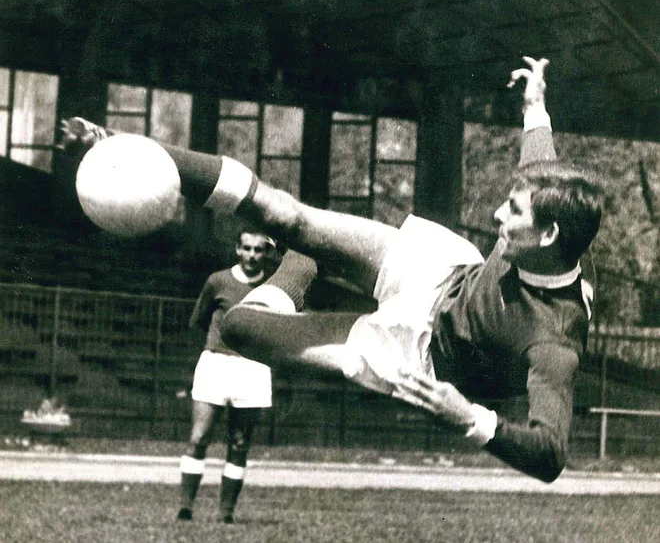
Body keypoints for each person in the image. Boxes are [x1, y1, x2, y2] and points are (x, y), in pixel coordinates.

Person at [59, 56, 604, 483]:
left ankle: (301, 266)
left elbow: (551, 454)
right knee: (284, 214)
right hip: (443, 272)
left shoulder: (553, 343)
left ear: (550, 236)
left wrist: (471, 419)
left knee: (240, 328)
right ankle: (137, 148)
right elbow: (539, 156)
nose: (496, 215)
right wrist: (536, 103)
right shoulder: (547, 220)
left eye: (513, 213)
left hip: (418, 354)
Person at [175, 226, 282, 523]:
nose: (251, 255)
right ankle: (186, 508)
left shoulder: (275, 288)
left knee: (238, 443)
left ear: (268, 253)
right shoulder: (218, 281)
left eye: (258, 249)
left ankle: (226, 514)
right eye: (246, 248)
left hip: (253, 367)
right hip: (217, 363)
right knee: (199, 437)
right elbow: (198, 321)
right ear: (237, 249)